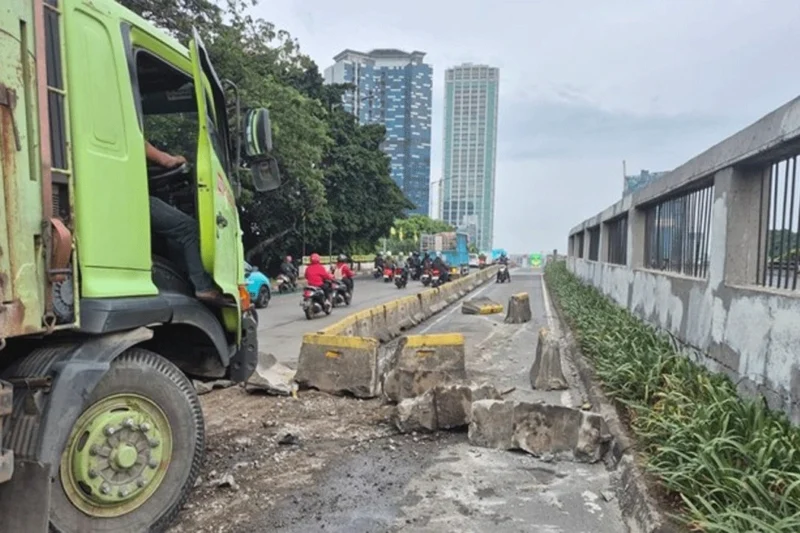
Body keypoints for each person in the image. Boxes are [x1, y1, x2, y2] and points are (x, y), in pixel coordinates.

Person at [145, 141, 227, 306]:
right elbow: (166, 161)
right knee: (188, 229)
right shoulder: (130, 134)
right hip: (133, 199)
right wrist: (175, 159)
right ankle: (203, 287)